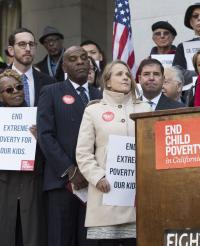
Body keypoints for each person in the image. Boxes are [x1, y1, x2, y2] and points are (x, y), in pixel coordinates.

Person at [75, 60, 151, 245]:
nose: (125, 77)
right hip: (105, 195)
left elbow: (152, 148)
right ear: (107, 81)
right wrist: (98, 177)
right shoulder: (93, 110)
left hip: (137, 197)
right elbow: (83, 152)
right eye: (119, 74)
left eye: (127, 74)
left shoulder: (145, 108)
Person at [37, 46, 102, 246]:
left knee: (89, 240)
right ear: (64, 66)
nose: (81, 62)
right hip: (61, 183)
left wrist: (93, 173)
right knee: (61, 239)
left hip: (94, 184)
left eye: (84, 58)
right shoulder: (51, 92)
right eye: (73, 59)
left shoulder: (100, 95)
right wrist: (70, 170)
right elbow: (45, 135)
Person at [0, 69, 46, 246]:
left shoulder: (36, 117)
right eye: (9, 90)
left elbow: (46, 157)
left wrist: (39, 140)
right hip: (5, 186)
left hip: (31, 185)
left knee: (31, 236)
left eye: (19, 87)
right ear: (1, 96)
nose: (16, 92)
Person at [7, 28, 55, 107]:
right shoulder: (1, 78)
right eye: (22, 44)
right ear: (11, 50)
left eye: (31, 44)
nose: (28, 49)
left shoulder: (50, 83)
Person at [172, 2, 200, 70]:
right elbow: (177, 71)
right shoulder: (182, 47)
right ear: (191, 22)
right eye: (195, 16)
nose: (199, 18)